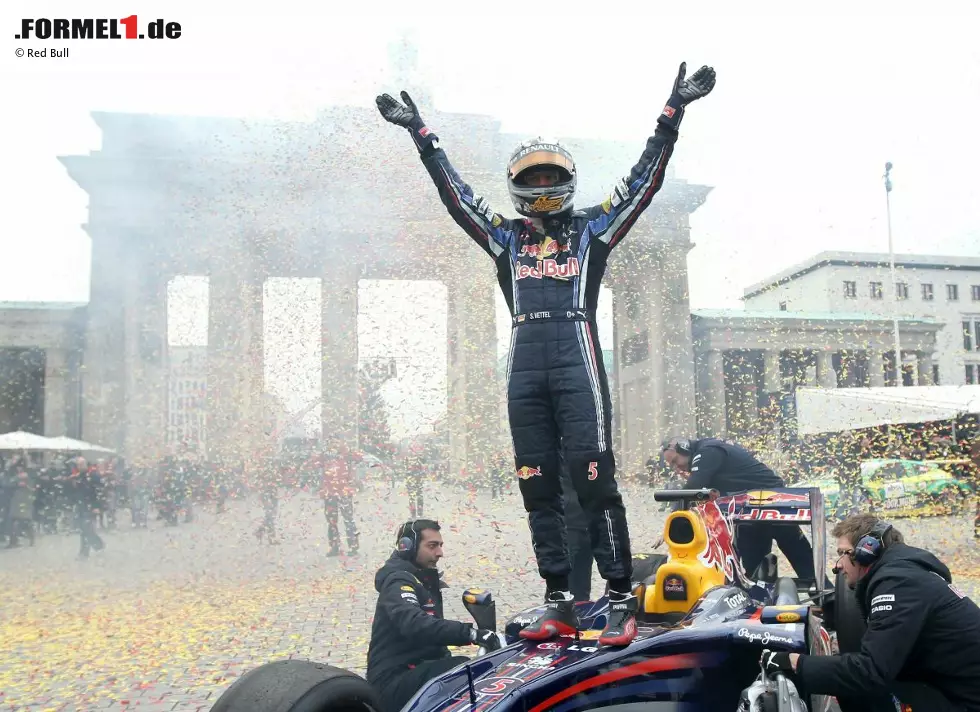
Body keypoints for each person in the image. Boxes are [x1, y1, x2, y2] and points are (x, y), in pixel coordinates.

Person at [376, 62, 716, 646]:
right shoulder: (503, 236)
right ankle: (557, 597)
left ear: (568, 181)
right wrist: (421, 135)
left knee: (594, 481)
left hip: (576, 360)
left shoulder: (594, 230)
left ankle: (616, 598)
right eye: (530, 179)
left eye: (549, 177)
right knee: (536, 486)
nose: (539, 187)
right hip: (526, 371)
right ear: (516, 186)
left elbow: (643, 182)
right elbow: (455, 196)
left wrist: (672, 110)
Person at [761, 514, 980, 712]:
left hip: (964, 701)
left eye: (842, 554)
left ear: (867, 551)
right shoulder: (907, 575)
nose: (838, 566)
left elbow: (869, 672)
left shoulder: (898, 584)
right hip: (955, 689)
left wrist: (794, 662)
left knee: (859, 690)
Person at [366, 520, 501, 712]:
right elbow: (414, 623)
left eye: (440, 545)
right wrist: (471, 634)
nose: (439, 553)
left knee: (466, 666)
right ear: (407, 547)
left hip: (416, 669)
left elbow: (435, 643)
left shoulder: (423, 578)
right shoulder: (398, 581)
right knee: (466, 671)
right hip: (391, 682)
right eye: (432, 546)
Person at [661, 436, 820, 582]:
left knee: (799, 557)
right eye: (672, 466)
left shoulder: (707, 451)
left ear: (684, 449)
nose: (677, 468)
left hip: (770, 501)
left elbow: (692, 489)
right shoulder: (709, 450)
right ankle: (825, 601)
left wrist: (674, 519)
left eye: (675, 461)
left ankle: (830, 602)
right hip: (752, 507)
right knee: (757, 567)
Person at [317, 443, 360, 556]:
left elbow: (358, 457)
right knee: (332, 521)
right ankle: (335, 546)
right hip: (329, 492)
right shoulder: (325, 454)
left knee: (348, 519)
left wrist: (347, 452)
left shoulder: (345, 452)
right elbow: (317, 464)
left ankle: (353, 546)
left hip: (344, 492)